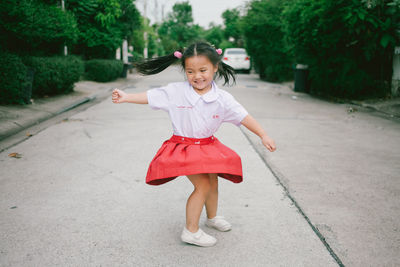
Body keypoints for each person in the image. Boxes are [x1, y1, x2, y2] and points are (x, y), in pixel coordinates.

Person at [112, 41, 276, 247]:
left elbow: (244, 116)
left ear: (215, 67)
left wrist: (263, 134)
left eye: (203, 70)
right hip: (185, 147)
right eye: (190, 71)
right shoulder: (176, 92)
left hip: (208, 145)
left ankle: (212, 217)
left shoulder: (223, 98)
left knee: (212, 179)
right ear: (184, 71)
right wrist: (127, 97)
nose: (197, 76)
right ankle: (191, 231)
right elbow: (151, 96)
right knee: (203, 185)